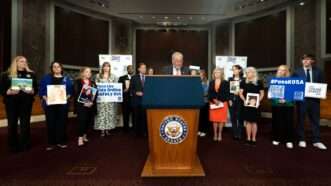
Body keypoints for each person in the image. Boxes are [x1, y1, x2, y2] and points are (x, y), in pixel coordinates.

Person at [0, 56, 37, 152]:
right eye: (21, 61)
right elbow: (2, 90)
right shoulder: (6, 75)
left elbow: (35, 89)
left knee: (25, 124)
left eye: (25, 61)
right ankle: (13, 145)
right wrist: (8, 92)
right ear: (15, 63)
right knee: (12, 123)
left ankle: (25, 144)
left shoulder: (31, 74)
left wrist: (32, 91)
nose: (24, 63)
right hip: (11, 103)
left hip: (26, 103)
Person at [293, 54, 327, 150]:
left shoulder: (318, 71)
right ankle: (301, 139)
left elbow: (322, 84)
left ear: (312, 61)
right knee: (301, 120)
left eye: (308, 59)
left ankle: (317, 140)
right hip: (302, 100)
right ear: (301, 61)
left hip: (314, 100)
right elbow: (294, 86)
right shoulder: (297, 72)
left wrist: (322, 93)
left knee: (315, 120)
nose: (305, 61)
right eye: (304, 59)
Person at [39, 61, 73, 151]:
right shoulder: (46, 78)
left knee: (62, 123)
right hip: (50, 105)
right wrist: (46, 98)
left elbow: (70, 92)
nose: (56, 68)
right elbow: (42, 90)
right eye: (54, 67)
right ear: (52, 68)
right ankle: (51, 143)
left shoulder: (67, 79)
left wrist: (67, 96)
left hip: (62, 105)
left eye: (58, 67)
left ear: (61, 68)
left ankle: (61, 141)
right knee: (51, 123)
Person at [270, 65, 295, 149]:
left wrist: (286, 100)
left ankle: (289, 140)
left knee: (288, 122)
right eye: (279, 70)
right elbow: (271, 95)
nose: (281, 71)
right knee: (277, 121)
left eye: (283, 70)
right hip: (277, 105)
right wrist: (278, 100)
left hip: (288, 105)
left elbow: (294, 94)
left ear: (286, 71)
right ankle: (277, 138)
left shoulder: (291, 81)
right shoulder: (274, 81)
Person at [239, 67, 264, 146]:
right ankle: (248, 138)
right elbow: (240, 93)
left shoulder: (259, 82)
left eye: (249, 72)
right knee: (248, 122)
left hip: (255, 105)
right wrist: (244, 101)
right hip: (247, 105)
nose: (247, 73)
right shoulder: (243, 82)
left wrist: (258, 101)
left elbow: (262, 94)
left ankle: (254, 138)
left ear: (253, 73)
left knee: (254, 122)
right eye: (246, 72)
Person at [74, 67, 97, 146]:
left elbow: (95, 94)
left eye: (90, 72)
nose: (89, 73)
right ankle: (80, 138)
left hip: (90, 105)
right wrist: (84, 102)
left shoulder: (93, 83)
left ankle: (84, 135)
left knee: (89, 121)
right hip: (81, 106)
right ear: (82, 73)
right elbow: (76, 94)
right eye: (87, 72)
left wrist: (92, 101)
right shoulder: (78, 82)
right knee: (82, 121)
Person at [94, 62, 118, 137]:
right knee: (101, 114)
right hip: (101, 99)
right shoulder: (98, 76)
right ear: (102, 67)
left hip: (110, 100)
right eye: (105, 66)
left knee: (109, 114)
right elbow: (95, 86)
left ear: (110, 68)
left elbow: (116, 87)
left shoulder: (113, 76)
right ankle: (102, 130)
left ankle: (108, 129)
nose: (106, 68)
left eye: (108, 66)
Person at [208, 68, 230, 142]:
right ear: (213, 74)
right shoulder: (211, 82)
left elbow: (227, 94)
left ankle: (220, 134)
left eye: (218, 72)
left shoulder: (226, 82)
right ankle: (215, 134)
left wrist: (220, 100)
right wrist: (214, 99)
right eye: (215, 72)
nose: (217, 74)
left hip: (223, 103)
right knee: (214, 120)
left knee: (221, 120)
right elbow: (210, 93)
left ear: (221, 74)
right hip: (213, 103)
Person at [130, 63, 147, 137]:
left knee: (144, 118)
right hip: (136, 101)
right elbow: (131, 89)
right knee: (136, 118)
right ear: (139, 69)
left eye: (145, 68)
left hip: (145, 102)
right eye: (142, 68)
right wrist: (136, 92)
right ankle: (135, 133)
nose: (144, 69)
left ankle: (144, 132)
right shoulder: (134, 77)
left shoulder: (148, 77)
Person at [228, 65, 244, 141]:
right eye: (233, 70)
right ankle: (235, 133)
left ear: (239, 70)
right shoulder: (230, 79)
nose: (234, 71)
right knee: (233, 118)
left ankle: (240, 133)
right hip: (232, 101)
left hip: (240, 101)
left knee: (240, 117)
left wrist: (241, 93)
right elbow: (228, 91)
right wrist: (229, 100)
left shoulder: (244, 79)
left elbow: (245, 90)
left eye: (235, 69)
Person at [118, 65, 134, 132]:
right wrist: (123, 90)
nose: (131, 70)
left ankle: (134, 128)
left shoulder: (135, 77)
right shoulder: (122, 78)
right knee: (125, 115)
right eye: (129, 69)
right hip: (125, 99)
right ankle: (126, 129)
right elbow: (118, 88)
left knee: (134, 115)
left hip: (134, 100)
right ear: (127, 70)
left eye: (132, 69)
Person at [198, 69, 209, 137]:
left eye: (201, 75)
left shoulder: (207, 82)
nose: (200, 76)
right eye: (199, 75)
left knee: (204, 117)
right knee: (199, 117)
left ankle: (204, 131)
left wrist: (200, 94)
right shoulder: (195, 82)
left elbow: (206, 92)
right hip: (197, 103)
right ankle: (199, 130)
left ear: (204, 75)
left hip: (205, 102)